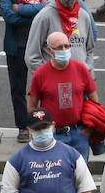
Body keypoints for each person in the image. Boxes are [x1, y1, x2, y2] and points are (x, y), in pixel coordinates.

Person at [0, 0, 50, 142]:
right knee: (17, 88)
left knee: (44, 87)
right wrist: (36, 11)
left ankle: (43, 123)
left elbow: (48, 9)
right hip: (16, 44)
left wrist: (20, 8)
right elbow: (9, 17)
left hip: (40, 44)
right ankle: (22, 126)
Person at [0, 109, 95, 193]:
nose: (41, 131)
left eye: (45, 127)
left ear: (53, 125)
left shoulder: (72, 155)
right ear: (29, 130)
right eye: (37, 129)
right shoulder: (16, 160)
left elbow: (85, 186)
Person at [27, 30, 98, 160]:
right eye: (59, 47)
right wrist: (39, 131)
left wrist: (89, 129)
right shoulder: (40, 74)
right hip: (54, 135)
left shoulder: (81, 69)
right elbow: (32, 106)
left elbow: (95, 101)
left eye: (67, 46)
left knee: (80, 176)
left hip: (79, 133)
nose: (64, 50)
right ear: (49, 50)